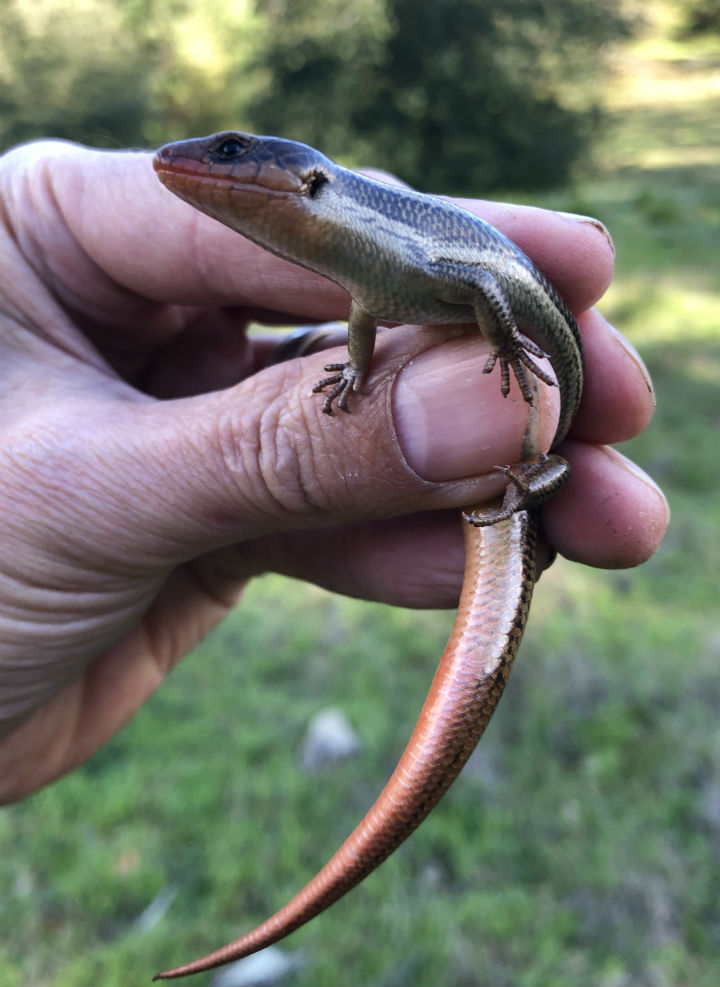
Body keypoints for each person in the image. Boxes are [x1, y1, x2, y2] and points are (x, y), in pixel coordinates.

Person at [0, 138, 667, 804]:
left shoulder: (402, 243)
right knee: (527, 511)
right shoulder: (364, 266)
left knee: (547, 482)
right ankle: (521, 493)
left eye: (231, 152)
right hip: (506, 468)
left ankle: (529, 490)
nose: (202, 157)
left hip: (539, 448)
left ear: (311, 179)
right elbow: (365, 311)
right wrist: (356, 369)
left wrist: (503, 351)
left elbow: (484, 283)